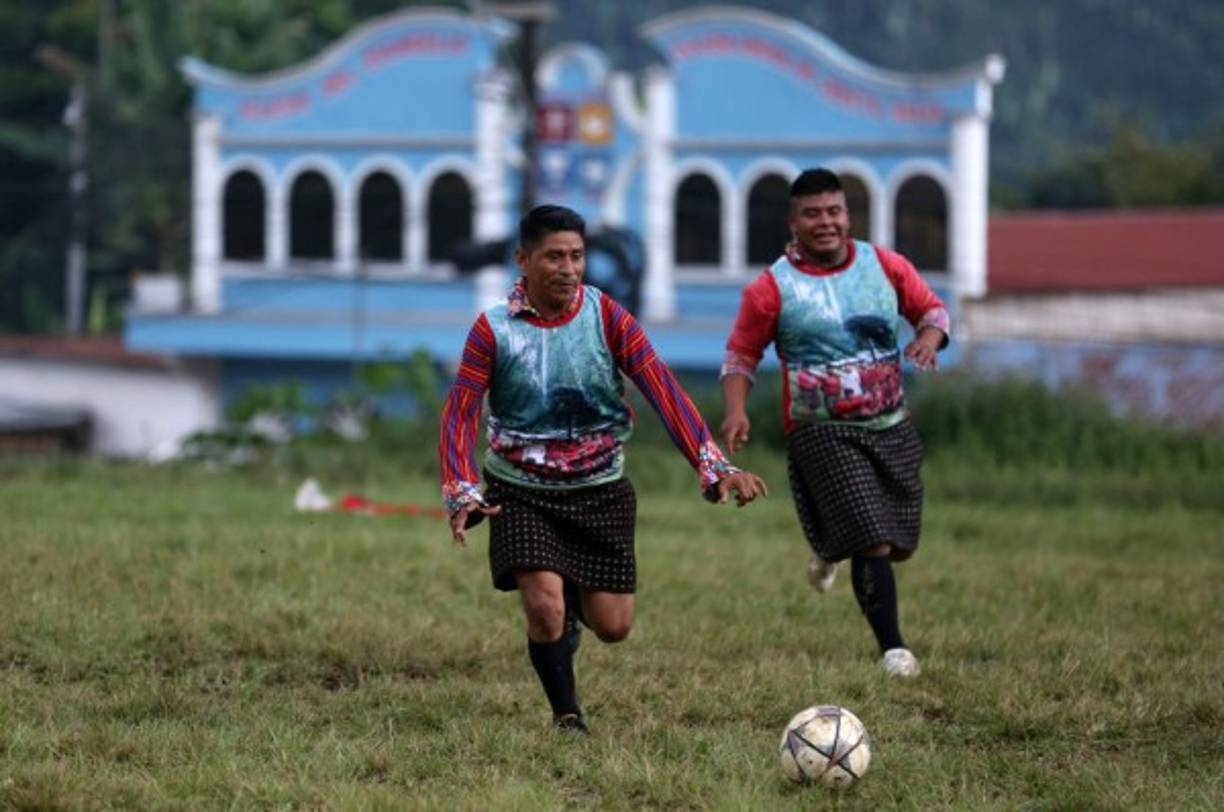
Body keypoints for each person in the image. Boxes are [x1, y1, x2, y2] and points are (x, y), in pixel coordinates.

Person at [440, 204, 768, 732]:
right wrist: (462, 488)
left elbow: (663, 390)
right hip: (520, 489)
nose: (568, 269)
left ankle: (570, 599)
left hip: (599, 488)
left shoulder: (608, 317)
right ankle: (567, 716)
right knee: (544, 608)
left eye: (577, 256)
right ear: (523, 260)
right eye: (554, 257)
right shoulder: (492, 329)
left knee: (614, 627)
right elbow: (461, 412)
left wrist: (714, 466)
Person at [719, 168, 950, 678]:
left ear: (847, 215)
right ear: (793, 222)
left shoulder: (884, 266)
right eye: (812, 214)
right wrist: (735, 410)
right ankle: (893, 649)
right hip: (819, 428)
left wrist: (927, 340)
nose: (825, 222)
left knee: (895, 542)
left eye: (834, 211)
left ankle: (830, 548)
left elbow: (933, 312)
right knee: (872, 537)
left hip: (890, 423)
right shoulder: (771, 288)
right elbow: (740, 356)